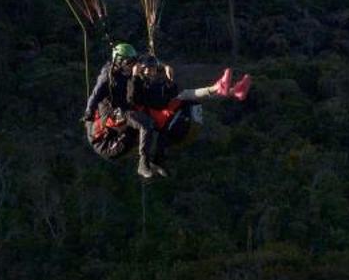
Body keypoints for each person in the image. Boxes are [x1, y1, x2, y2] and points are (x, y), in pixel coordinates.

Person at [82, 43, 252, 179]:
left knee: (183, 99)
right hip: (119, 123)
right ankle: (146, 163)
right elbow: (108, 95)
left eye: (152, 70)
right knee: (162, 113)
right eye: (147, 70)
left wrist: (164, 69)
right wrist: (89, 111)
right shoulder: (127, 80)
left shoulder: (142, 78)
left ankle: (227, 90)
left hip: (143, 111)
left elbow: (153, 74)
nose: (150, 72)